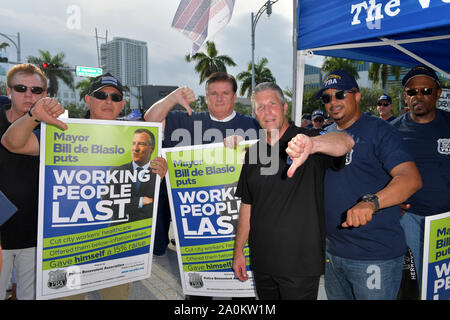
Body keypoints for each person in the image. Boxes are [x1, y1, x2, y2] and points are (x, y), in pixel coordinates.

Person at [1, 72, 166, 300]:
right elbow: (12, 143)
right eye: (101, 95)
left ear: (122, 105)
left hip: (117, 251)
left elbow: (144, 190)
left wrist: (159, 173)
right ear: (88, 100)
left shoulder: (136, 139)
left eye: (115, 97)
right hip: (72, 252)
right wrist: (32, 116)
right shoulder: (63, 131)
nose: (108, 101)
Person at [232, 82, 354, 300]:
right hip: (262, 264)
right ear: (254, 113)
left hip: (300, 266)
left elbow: (345, 141)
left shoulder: (307, 139)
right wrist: (238, 251)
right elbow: (247, 207)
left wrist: (313, 144)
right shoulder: (253, 153)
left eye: (272, 104)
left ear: (285, 107)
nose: (267, 111)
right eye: (260, 107)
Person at [144, 71, 260, 299]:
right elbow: (150, 120)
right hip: (199, 231)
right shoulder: (185, 119)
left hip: (241, 227)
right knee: (198, 297)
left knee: (242, 295)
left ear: (235, 97)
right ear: (205, 97)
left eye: (225, 93)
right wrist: (173, 97)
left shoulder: (253, 126)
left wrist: (246, 151)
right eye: (213, 93)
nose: (219, 98)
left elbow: (272, 166)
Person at [317, 70, 422, 300]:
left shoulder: (380, 130)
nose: (333, 102)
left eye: (340, 94)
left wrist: (372, 203)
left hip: (374, 256)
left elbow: (411, 178)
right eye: (327, 98)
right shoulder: (325, 135)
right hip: (333, 254)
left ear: (356, 96)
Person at [391, 65, 450, 288]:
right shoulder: (392, 130)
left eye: (426, 90)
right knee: (411, 285)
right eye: (412, 91)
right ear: (405, 96)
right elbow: (379, 172)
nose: (419, 96)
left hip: (446, 219)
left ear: (438, 93)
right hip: (409, 220)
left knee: (442, 285)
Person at [0, 63, 47, 300]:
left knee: (28, 295)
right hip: (1, 235)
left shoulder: (53, 130)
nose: (29, 95)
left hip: (33, 235)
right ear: (9, 92)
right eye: (21, 88)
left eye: (36, 90)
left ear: (45, 95)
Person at [109, 128, 162, 223]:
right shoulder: (116, 171)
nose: (136, 149)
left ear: (152, 149)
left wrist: (125, 204)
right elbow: (108, 205)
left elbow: (159, 207)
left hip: (148, 231)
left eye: (141, 144)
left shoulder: (159, 173)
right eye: (134, 143)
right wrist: (141, 201)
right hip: (119, 233)